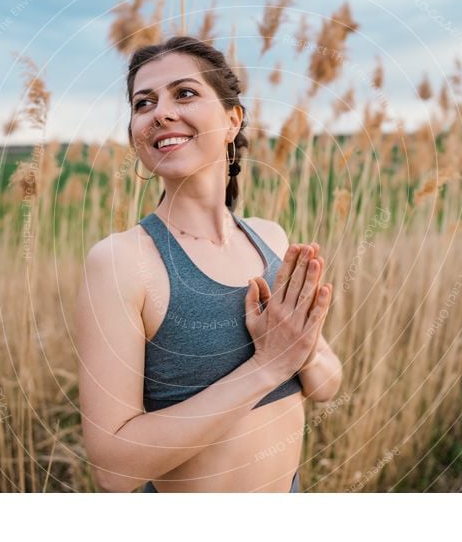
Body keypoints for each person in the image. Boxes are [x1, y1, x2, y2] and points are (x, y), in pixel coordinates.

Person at [76, 36, 343, 493]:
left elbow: (326, 386)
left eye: (184, 93)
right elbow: (113, 468)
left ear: (232, 119)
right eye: (144, 103)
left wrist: (302, 345)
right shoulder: (123, 261)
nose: (160, 111)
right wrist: (268, 366)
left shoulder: (269, 239)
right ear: (135, 133)